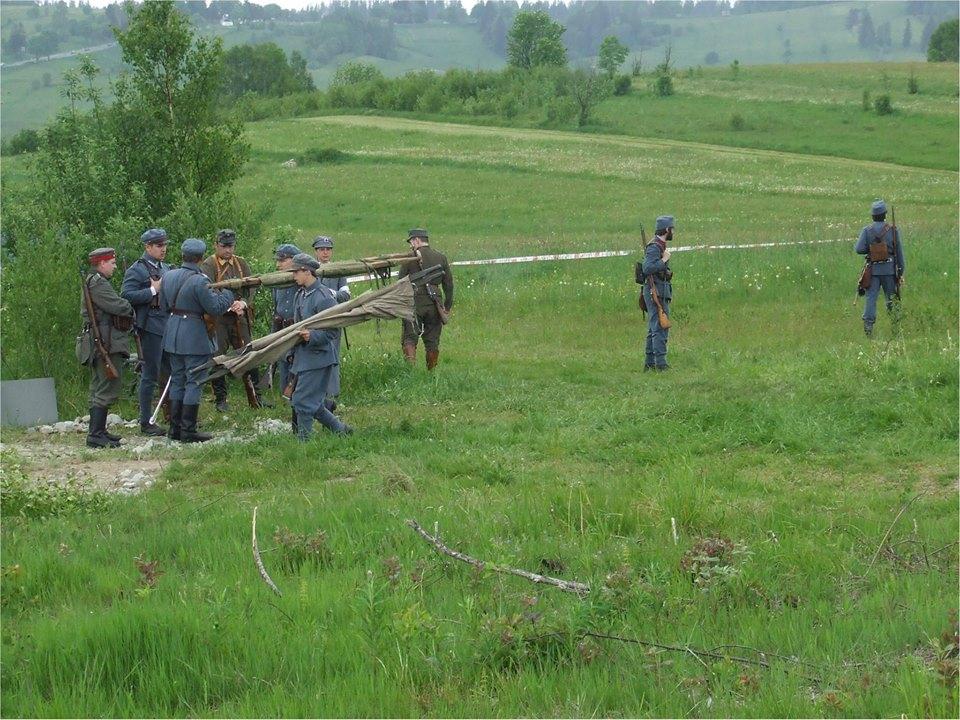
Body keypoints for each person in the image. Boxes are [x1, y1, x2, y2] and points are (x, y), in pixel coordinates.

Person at [160, 238, 242, 443]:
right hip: (194, 336)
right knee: (195, 380)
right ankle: (188, 430)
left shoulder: (168, 276)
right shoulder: (200, 280)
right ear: (200, 258)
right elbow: (215, 308)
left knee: (178, 380)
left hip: (173, 334)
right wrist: (228, 292)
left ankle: (175, 428)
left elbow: (162, 306)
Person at [288, 253, 352, 441]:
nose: (293, 275)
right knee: (313, 403)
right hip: (304, 356)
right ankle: (341, 430)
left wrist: (312, 336)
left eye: (296, 272)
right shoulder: (301, 294)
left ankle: (304, 443)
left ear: (307, 272)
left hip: (318, 357)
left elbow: (333, 331)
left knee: (301, 400)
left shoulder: (323, 297)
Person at [78, 247, 135, 449]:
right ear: (102, 263)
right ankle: (95, 434)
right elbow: (119, 307)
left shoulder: (94, 282)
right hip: (104, 342)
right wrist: (129, 305)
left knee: (99, 386)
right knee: (106, 386)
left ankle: (99, 431)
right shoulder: (98, 284)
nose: (114, 266)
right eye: (112, 263)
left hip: (100, 341)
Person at [200, 229, 263, 411]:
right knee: (218, 356)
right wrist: (227, 305)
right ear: (216, 245)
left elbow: (251, 287)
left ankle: (256, 396)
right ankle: (220, 399)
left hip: (240, 317)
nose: (228, 250)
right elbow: (207, 290)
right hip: (218, 318)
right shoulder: (208, 265)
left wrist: (243, 303)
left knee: (249, 353)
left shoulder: (241, 263)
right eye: (224, 246)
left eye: (231, 246)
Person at [121, 228, 173, 435]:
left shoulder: (167, 268)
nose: (163, 249)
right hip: (150, 326)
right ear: (148, 247)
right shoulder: (137, 270)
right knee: (150, 374)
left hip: (168, 324)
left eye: (164, 245)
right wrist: (153, 290)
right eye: (159, 246)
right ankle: (146, 421)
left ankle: (173, 415)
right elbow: (127, 295)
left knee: (171, 372)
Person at [397, 228, 453, 370]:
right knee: (432, 341)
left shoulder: (409, 258)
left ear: (416, 240)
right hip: (435, 303)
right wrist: (447, 306)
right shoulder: (441, 257)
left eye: (411, 242)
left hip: (414, 301)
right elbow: (448, 285)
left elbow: (400, 282)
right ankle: (431, 373)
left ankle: (410, 372)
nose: (411, 245)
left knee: (409, 338)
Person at [855, 199, 905, 337]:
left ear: (873, 216)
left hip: (874, 271)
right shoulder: (893, 230)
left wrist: (871, 250)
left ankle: (868, 326)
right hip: (889, 271)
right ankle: (896, 326)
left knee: (871, 299)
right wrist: (900, 272)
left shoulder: (867, 230)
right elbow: (899, 252)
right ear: (885, 214)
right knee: (891, 299)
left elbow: (859, 249)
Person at [312, 235, 351, 408]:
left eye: (328, 249)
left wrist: (329, 292)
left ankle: (332, 392)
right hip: (312, 319)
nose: (325, 252)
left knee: (333, 354)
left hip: (333, 317)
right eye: (322, 249)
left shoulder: (339, 270)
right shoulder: (310, 269)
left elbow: (346, 295)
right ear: (316, 251)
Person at [642, 215, 674, 371]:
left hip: (660, 290)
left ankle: (649, 363)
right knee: (660, 327)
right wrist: (663, 261)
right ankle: (661, 364)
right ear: (667, 229)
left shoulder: (660, 245)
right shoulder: (655, 247)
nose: (673, 231)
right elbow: (647, 268)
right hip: (655, 291)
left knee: (654, 327)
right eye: (672, 229)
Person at [271, 243, 302, 395]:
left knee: (298, 365)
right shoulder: (277, 282)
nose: (278, 264)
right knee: (283, 362)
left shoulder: (303, 280)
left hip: (298, 329)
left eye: (282, 260)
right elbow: (276, 307)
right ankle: (285, 398)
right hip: (282, 328)